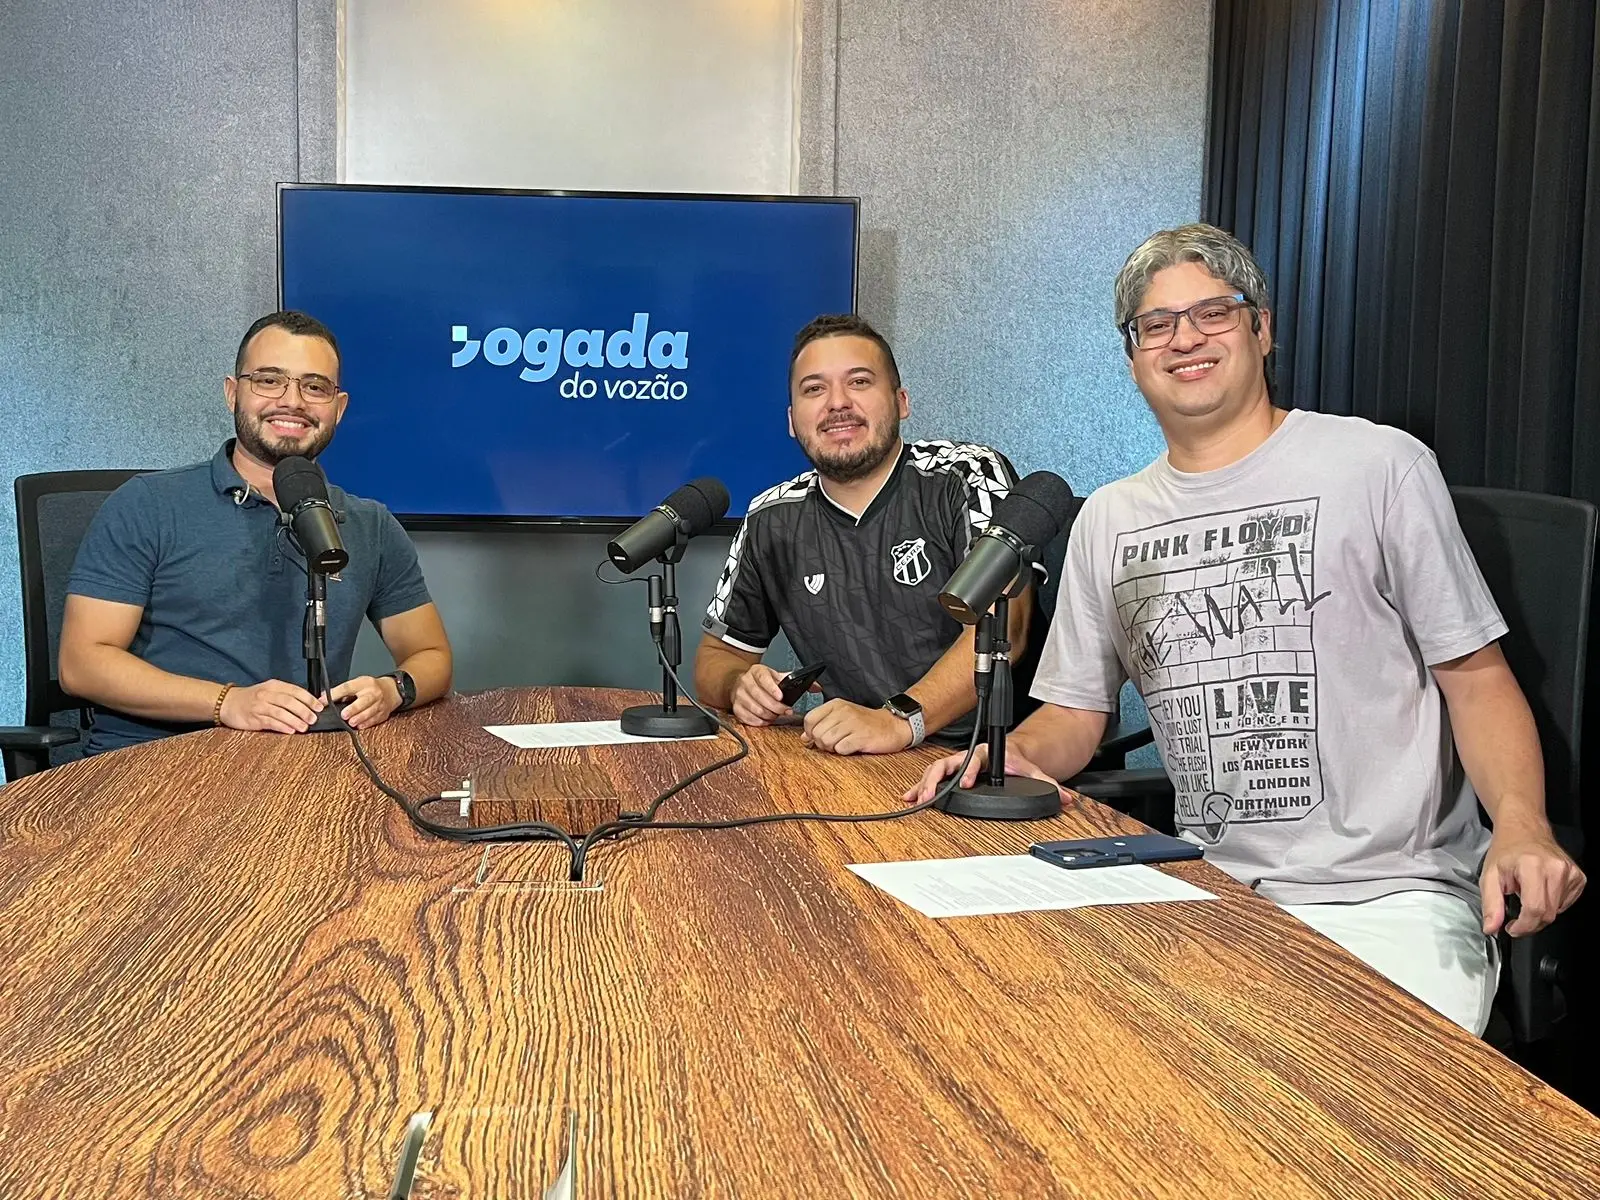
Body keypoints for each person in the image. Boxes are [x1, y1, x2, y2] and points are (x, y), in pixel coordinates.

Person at [908, 224, 1585, 1034]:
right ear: (1132, 358)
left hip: (1391, 897)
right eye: (1155, 325)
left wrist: (1522, 821)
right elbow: (1076, 715)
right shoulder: (1108, 520)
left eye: (1213, 313)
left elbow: (1475, 678)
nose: (1184, 338)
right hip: (1207, 887)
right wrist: (1008, 755)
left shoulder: (1378, 466)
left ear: (1261, 329)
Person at [59, 310, 452, 753]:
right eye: (269, 380)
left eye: (314, 386)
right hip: (152, 763)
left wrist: (393, 689)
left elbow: (432, 657)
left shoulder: (371, 524)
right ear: (233, 394)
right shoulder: (147, 504)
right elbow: (83, 663)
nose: (293, 401)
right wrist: (227, 703)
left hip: (298, 766)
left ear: (338, 409)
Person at [695, 314, 1033, 755]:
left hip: (983, 764)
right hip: (851, 760)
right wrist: (740, 685)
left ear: (901, 401)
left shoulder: (965, 476)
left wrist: (899, 720)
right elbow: (714, 660)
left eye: (859, 382)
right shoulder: (770, 517)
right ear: (792, 420)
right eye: (814, 389)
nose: (837, 403)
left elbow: (1010, 626)